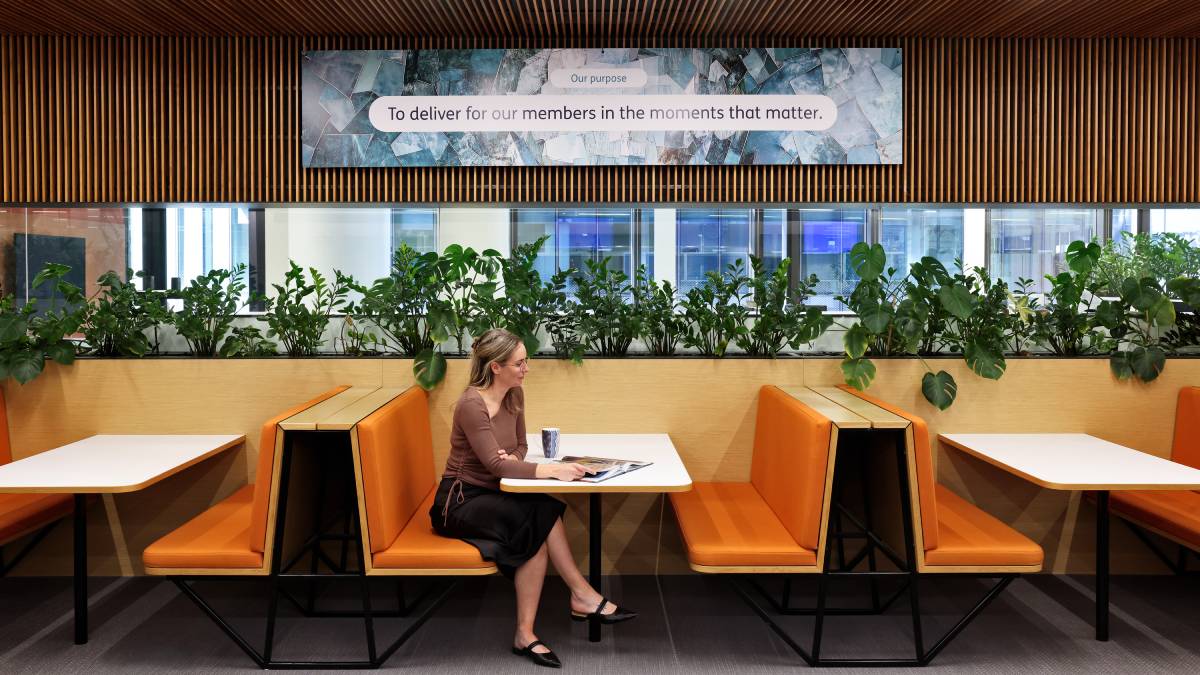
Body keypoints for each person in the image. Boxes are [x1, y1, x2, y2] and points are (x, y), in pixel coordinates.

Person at [430, 328, 636, 668]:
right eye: (519, 363)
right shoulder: (471, 405)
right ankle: (581, 595)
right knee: (540, 515)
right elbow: (496, 466)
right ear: (496, 367)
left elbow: (521, 446)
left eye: (526, 361)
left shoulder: (514, 395)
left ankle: (528, 632)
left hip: (494, 493)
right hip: (459, 500)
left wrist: (512, 459)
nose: (526, 369)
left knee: (541, 517)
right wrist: (552, 470)